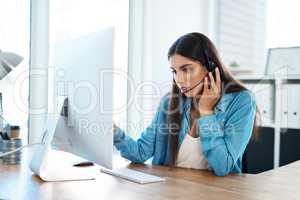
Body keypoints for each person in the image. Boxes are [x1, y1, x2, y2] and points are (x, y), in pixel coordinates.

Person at [113, 32, 259, 176]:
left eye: (186, 69)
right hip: (172, 191)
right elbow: (140, 152)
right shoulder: (169, 102)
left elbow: (223, 166)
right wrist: (113, 131)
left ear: (210, 66)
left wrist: (206, 111)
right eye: (174, 71)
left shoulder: (241, 101)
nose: (179, 80)